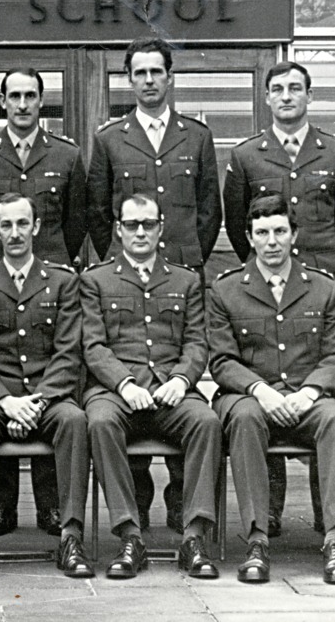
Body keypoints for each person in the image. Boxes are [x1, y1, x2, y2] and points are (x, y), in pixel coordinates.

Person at [87, 36, 222, 532]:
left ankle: (182, 505)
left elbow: (210, 211)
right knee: (129, 399)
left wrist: (185, 256)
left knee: (178, 397)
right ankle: (136, 507)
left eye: (156, 72)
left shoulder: (197, 136)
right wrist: (118, 263)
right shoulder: (109, 138)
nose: (148, 81)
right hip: (124, 280)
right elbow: (100, 212)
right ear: (129, 79)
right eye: (139, 72)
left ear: (170, 78)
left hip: (177, 274)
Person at [223, 61, 335, 537]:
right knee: (265, 386)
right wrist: (264, 268)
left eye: (295, 88)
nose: (286, 96)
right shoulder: (246, 156)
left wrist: (314, 265)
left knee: (325, 399)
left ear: (309, 95)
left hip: (317, 287)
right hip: (263, 289)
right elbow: (241, 226)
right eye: (278, 89)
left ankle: (330, 516)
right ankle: (272, 510)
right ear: (266, 97)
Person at [0, 68, 87, 537]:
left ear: (41, 101)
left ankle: (54, 510)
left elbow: (76, 225)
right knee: (4, 364)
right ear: (2, 101)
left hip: (47, 282)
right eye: (14, 95)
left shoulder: (68, 155)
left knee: (47, 377)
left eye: (31, 95)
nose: (23, 103)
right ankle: (0, 509)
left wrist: (50, 261)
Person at [207, 192, 335, 584]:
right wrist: (260, 390)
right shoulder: (226, 290)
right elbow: (221, 360)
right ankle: (257, 539)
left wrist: (308, 393)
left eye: (279, 231)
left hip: (308, 398)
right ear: (249, 237)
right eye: (262, 233)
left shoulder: (322, 288)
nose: (271, 242)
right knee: (243, 417)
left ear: (294, 235)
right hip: (250, 399)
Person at [82, 193, 221, 580]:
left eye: (148, 224)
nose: (140, 232)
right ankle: (130, 536)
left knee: (207, 422)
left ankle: (194, 536)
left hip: (171, 392)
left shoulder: (186, 280)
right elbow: (93, 346)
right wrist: (124, 384)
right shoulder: (95, 280)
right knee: (99, 423)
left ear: (161, 228)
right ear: (118, 230)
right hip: (117, 394)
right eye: (131, 225)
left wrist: (180, 378)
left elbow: (197, 342)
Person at [0, 193, 91, 580]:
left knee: (75, 420)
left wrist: (36, 402)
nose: (14, 233)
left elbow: (69, 353)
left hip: (47, 398)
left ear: (35, 227)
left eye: (22, 224)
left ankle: (70, 536)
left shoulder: (64, 282)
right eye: (6, 225)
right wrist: (7, 401)